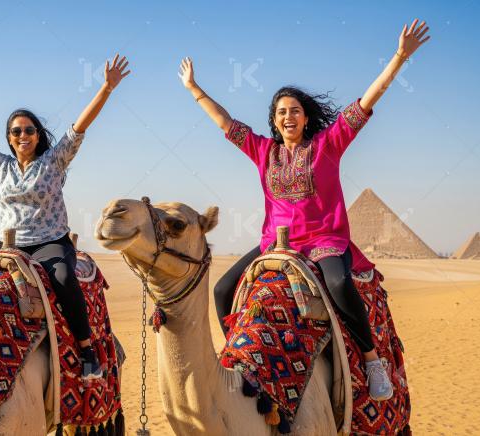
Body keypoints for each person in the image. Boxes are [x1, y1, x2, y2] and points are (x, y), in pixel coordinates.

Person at [179, 19, 430, 400]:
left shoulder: (329, 144)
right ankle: (237, 359)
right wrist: (194, 88)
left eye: (294, 110)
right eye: (281, 112)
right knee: (222, 289)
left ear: (306, 117)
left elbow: (367, 100)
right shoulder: (263, 151)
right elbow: (224, 122)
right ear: (275, 120)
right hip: (276, 245)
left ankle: (371, 358)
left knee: (340, 283)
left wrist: (399, 57)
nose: (288, 116)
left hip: (325, 241)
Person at [0, 54, 131, 379]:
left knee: (64, 280)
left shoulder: (53, 161)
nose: (23, 135)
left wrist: (106, 87)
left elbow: (80, 127)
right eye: (16, 130)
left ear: (37, 135)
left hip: (50, 244)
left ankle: (88, 351)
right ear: (9, 137)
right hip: (8, 246)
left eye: (29, 129)